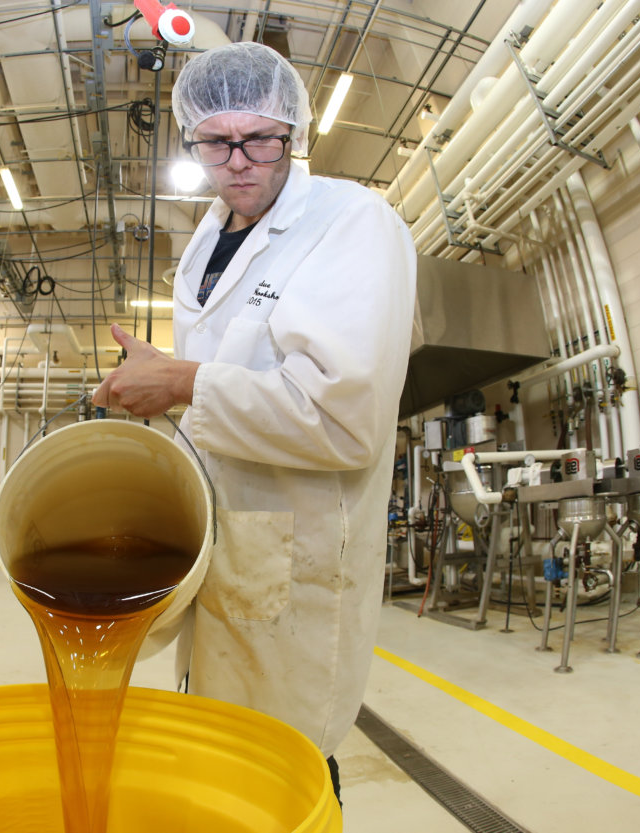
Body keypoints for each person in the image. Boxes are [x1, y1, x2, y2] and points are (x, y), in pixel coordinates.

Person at [92, 41, 416, 800]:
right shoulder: (205, 240)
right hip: (222, 547)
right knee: (217, 759)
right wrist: (168, 375)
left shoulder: (350, 224)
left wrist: (179, 381)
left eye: (260, 138)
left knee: (286, 769)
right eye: (215, 143)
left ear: (295, 133)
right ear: (193, 140)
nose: (238, 161)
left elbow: (344, 420)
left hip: (296, 565)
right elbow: (233, 376)